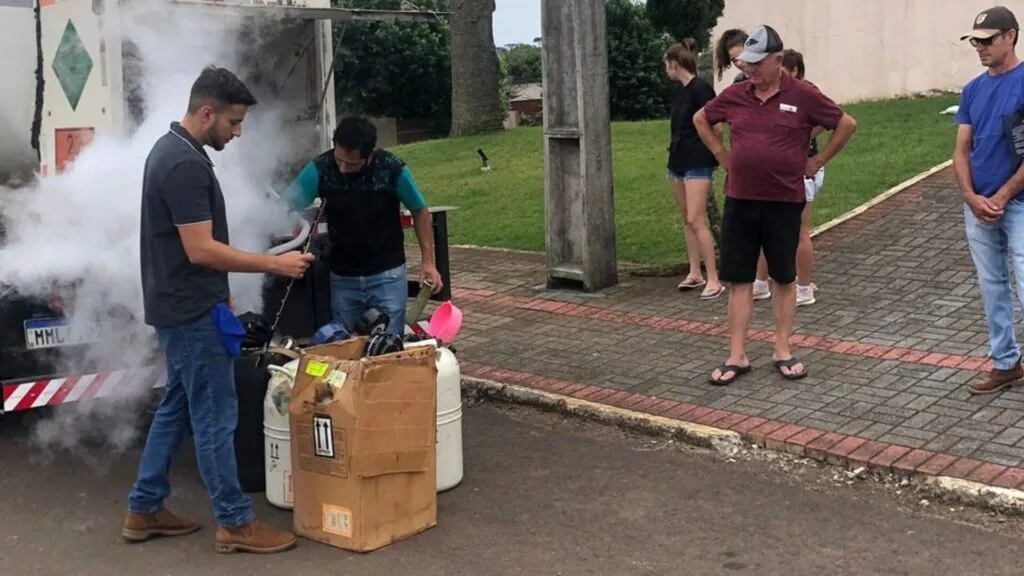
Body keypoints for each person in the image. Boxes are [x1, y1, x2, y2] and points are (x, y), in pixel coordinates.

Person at [126, 66, 312, 553]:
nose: (238, 131)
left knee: (177, 408)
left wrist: (221, 291)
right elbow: (201, 249)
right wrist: (275, 263)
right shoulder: (183, 164)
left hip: (183, 305)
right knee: (216, 417)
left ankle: (143, 509)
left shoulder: (174, 151)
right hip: (190, 313)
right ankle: (234, 521)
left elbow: (194, 252)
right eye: (233, 122)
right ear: (206, 113)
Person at [693, 25, 857, 386]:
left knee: (784, 278)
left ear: (778, 60)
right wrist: (721, 154)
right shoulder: (737, 94)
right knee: (740, 279)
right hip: (740, 200)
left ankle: (782, 349)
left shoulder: (803, 94)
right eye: (746, 63)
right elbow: (701, 118)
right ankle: (737, 355)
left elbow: (845, 123)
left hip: (784, 201)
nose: (749, 69)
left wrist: (818, 161)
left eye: (757, 63)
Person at [283, 116, 442, 337]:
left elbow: (420, 210)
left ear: (369, 155)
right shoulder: (320, 169)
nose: (343, 168)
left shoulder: (391, 169)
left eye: (352, 164)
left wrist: (428, 262)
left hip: (388, 275)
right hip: (342, 278)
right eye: (339, 159)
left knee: (387, 347)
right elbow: (286, 204)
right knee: (344, 344)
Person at [953, 6, 1024, 395]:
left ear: (1010, 36)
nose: (979, 47)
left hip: (1017, 203)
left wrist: (1001, 194)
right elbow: (961, 149)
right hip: (979, 204)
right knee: (991, 285)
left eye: (987, 39)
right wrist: (970, 196)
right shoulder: (973, 89)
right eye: (975, 41)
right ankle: (1005, 363)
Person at [752, 49, 826, 306]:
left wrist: (804, 137)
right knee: (764, 227)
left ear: (794, 71)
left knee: (799, 231)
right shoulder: (778, 93)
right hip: (775, 172)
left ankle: (804, 288)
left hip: (801, 171)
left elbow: (835, 119)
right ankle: (760, 283)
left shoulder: (807, 92)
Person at [664, 38, 724, 300]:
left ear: (674, 65)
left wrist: (715, 155)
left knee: (696, 219)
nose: (666, 70)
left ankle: (714, 278)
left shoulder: (702, 89)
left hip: (697, 162)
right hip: (677, 161)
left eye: (667, 65)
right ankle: (695, 272)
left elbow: (717, 125)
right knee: (687, 218)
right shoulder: (680, 92)